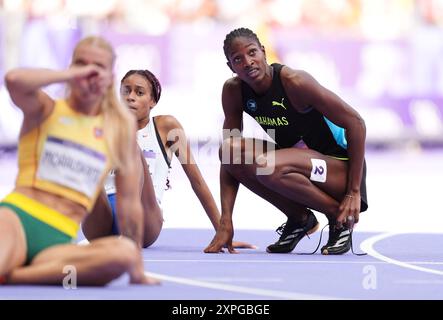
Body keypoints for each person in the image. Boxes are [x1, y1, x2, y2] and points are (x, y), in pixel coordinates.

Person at [0, 36, 159, 286]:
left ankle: (16, 276)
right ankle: (13, 269)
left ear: (110, 75)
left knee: (123, 255)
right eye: (82, 64)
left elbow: (129, 205)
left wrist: (136, 270)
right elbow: (14, 80)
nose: (89, 72)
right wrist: (68, 75)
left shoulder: (119, 129)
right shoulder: (46, 109)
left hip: (60, 242)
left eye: (98, 67)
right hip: (18, 221)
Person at [204, 27, 368, 255]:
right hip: (295, 165)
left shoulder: (295, 82)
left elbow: (356, 123)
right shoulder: (234, 91)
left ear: (263, 52)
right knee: (230, 150)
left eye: (252, 53)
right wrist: (225, 221)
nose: (248, 62)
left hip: (339, 169)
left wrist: (354, 191)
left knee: (267, 165)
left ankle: (338, 216)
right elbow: (230, 164)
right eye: (238, 59)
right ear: (231, 67)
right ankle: (300, 218)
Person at [82, 69, 255, 250]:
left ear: (152, 101)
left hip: (145, 216)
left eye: (139, 92)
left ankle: (127, 237)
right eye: (126, 91)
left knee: (132, 147)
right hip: (103, 215)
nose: (130, 97)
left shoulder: (166, 127)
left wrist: (222, 230)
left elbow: (197, 181)